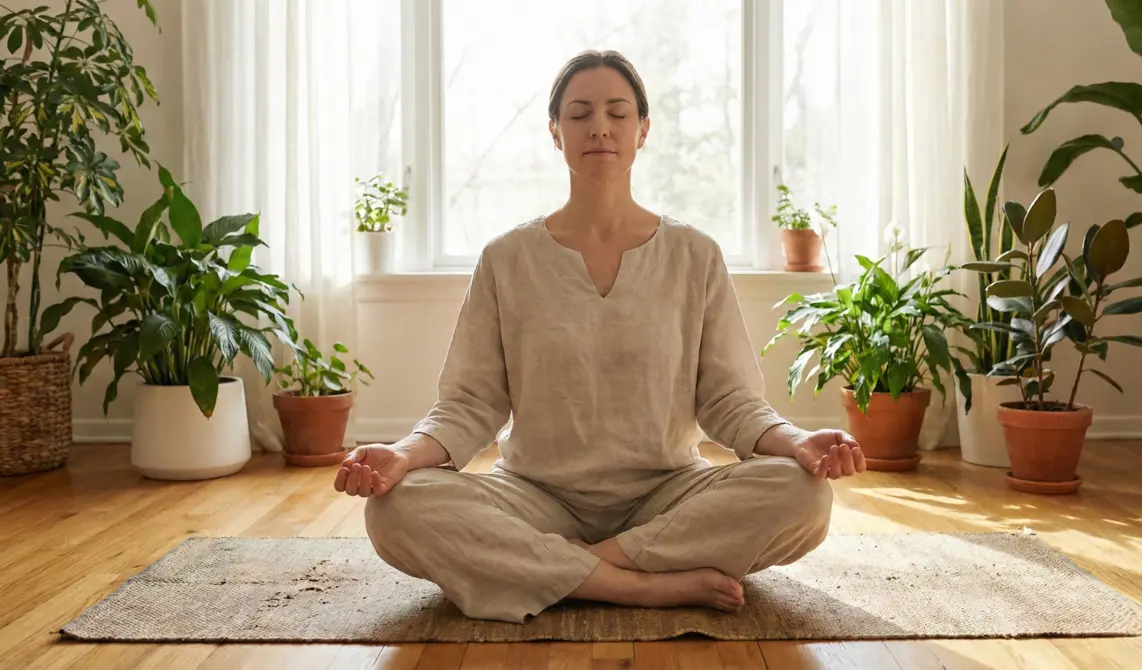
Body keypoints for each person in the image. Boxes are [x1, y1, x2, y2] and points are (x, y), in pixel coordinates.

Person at [333, 49, 865, 624]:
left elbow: (730, 401)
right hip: (534, 496)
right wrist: (401, 455)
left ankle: (572, 570)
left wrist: (795, 442)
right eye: (580, 113)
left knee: (803, 494)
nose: (600, 128)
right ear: (555, 132)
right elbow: (469, 404)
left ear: (643, 130)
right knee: (395, 508)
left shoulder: (695, 255)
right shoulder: (506, 258)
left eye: (617, 112)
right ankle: (636, 585)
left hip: (671, 495)